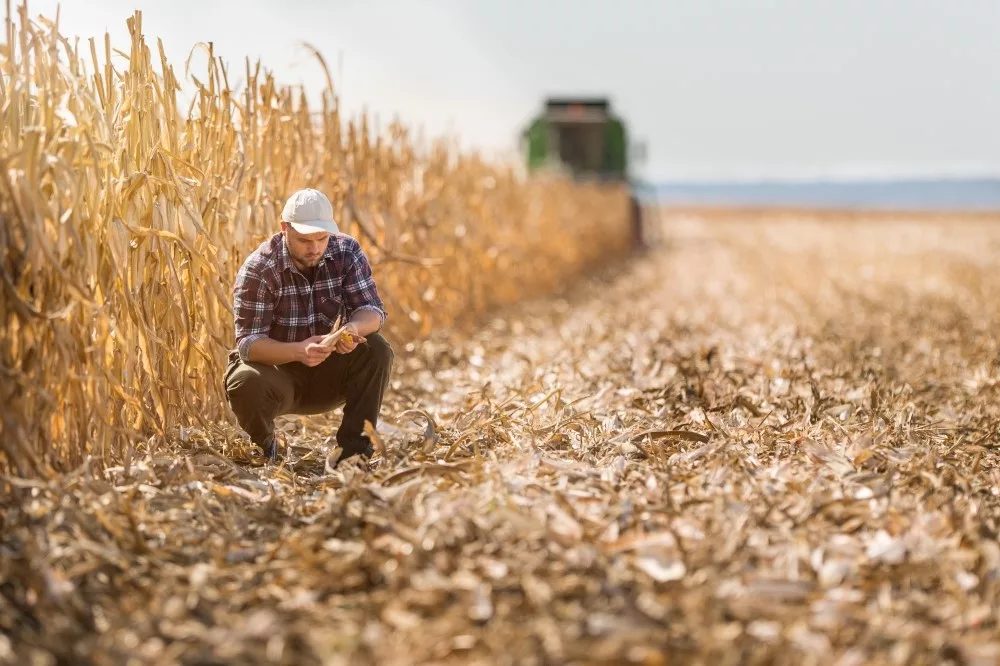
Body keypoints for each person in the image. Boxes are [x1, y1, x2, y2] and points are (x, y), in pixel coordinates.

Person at [224, 188, 393, 464]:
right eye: (304, 240)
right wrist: (299, 351)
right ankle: (265, 447)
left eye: (321, 238)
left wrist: (351, 329)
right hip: (277, 373)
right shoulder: (259, 268)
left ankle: (353, 454)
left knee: (377, 349)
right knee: (244, 380)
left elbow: (373, 311)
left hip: (327, 370)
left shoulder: (346, 251)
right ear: (284, 229)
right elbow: (249, 345)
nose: (314, 248)